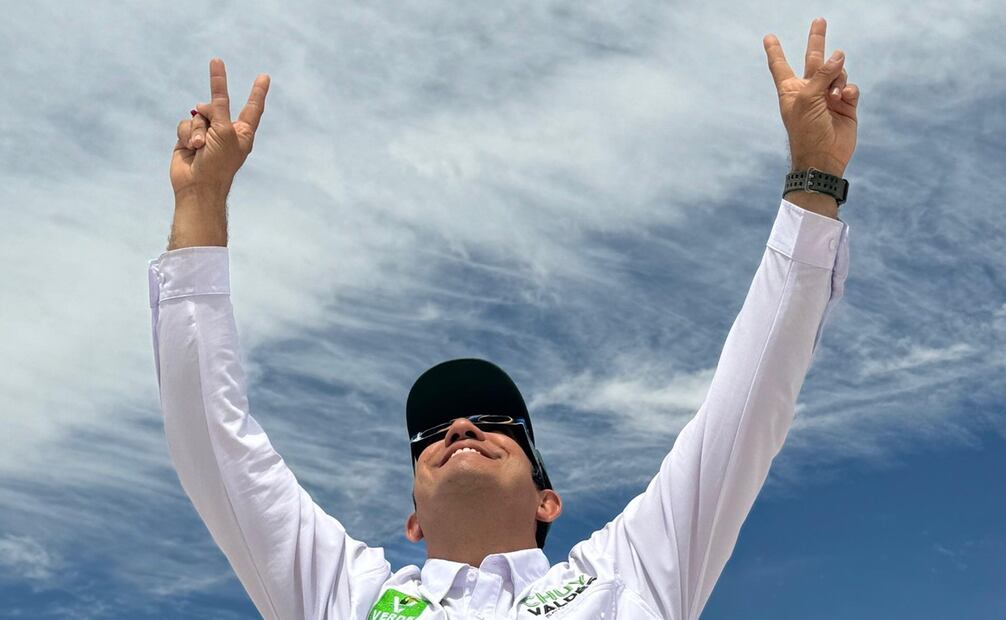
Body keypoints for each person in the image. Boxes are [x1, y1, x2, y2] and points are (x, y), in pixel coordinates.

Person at [150, 17, 857, 620]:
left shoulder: (628, 576)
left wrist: (815, 177)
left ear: (548, 500)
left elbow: (748, 402)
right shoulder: (349, 596)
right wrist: (200, 205)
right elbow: (214, 444)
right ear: (413, 521)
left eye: (494, 425)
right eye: (431, 431)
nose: (458, 428)